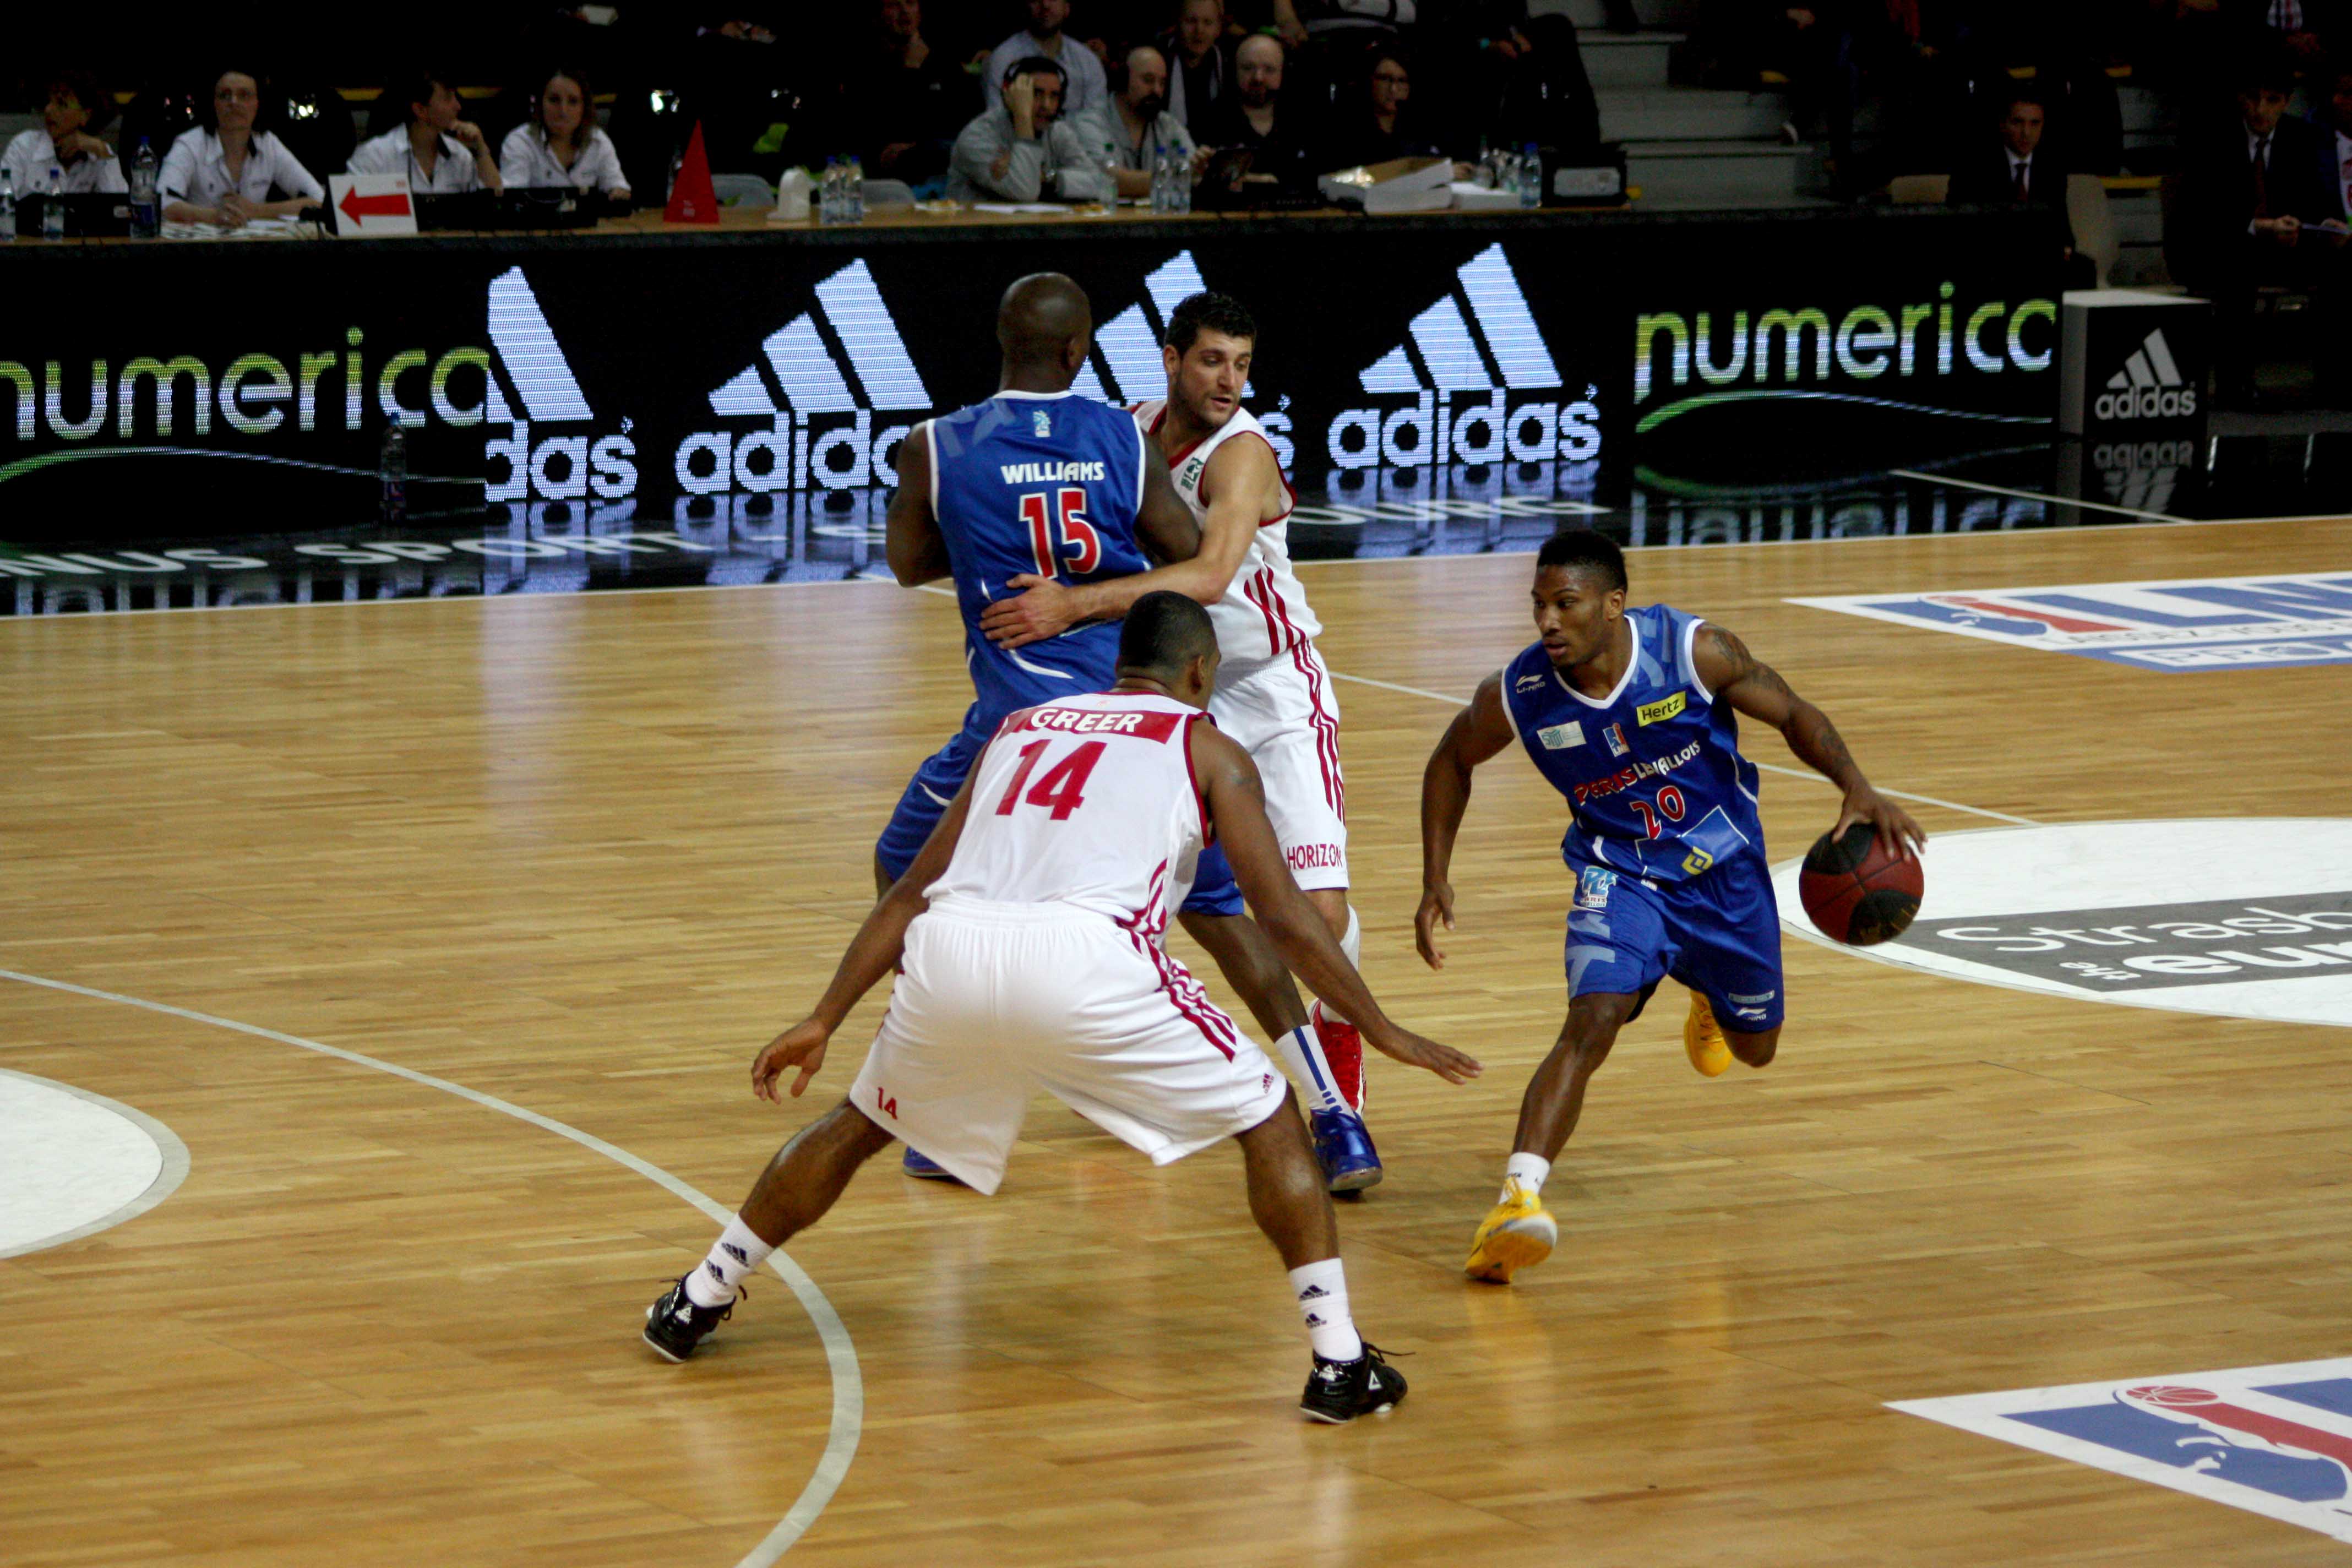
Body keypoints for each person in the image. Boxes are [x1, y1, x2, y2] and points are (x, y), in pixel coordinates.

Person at [1417, 530, 1924, 1284]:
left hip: (1724, 876)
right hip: (1619, 874)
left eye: (1566, 604)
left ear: (1614, 605)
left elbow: (1791, 713)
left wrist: (1855, 783)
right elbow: (1450, 759)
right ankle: (1516, 1200)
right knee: (1594, 1019)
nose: (1547, 621)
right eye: (1539, 605)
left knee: (1758, 1051)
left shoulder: (1695, 653)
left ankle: (1704, 992)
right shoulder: (1520, 694)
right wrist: (1436, 877)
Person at [980, 292, 1382, 1189]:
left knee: (1315, 915)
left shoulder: (1242, 452)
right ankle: (1140, 1071)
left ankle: (1338, 1092)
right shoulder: (1126, 430)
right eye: (1211, 362)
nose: (1229, 382)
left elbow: (1206, 575)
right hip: (1173, 690)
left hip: (1271, 688)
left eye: (1242, 364)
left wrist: (1070, 604)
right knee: (1137, 896)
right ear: (1169, 358)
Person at [2169, 44, 2342, 399]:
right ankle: (2235, 382)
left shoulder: (2302, 137)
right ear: (2239, 98)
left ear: (2287, 101)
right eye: (2253, 98)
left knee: (2342, 262)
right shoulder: (2213, 137)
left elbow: (2314, 202)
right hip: (2216, 248)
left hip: (2279, 247)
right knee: (2240, 262)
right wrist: (2260, 226)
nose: (2261, 110)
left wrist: (2324, 225)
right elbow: (2201, 215)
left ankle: (2336, 380)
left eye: (2272, 100)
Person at [1947, 91, 2096, 288]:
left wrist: (2064, 247)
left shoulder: (2052, 169)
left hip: (2038, 258)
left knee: (2083, 268)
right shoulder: (1973, 168)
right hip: (1991, 260)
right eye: (2018, 123)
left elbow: (2062, 227)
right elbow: (1960, 232)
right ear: (2003, 124)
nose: (2026, 133)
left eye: (2035, 124)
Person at [158, 69, 324, 227]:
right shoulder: (190, 144)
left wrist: (256, 211)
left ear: (257, 104)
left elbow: (319, 200)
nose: (234, 102)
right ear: (215, 103)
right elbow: (161, 203)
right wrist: (214, 216)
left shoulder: (268, 143)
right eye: (225, 95)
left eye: (244, 95)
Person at [839, 0, 976, 188]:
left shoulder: (944, 63)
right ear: (879, 15)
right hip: (885, 182)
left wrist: (919, 147)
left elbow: (963, 127)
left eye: (910, 3)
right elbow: (884, 131)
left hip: (942, 175)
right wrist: (911, 71)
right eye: (894, 4)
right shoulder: (865, 68)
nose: (904, 11)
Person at [948, 58, 1113, 202]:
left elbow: (1100, 184)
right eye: (1036, 94)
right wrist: (1023, 117)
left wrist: (1047, 177)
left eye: (1054, 96)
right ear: (1011, 94)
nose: (1046, 105)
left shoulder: (1057, 132)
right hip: (977, 233)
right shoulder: (977, 136)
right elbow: (1024, 192)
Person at [1203, 34, 1320, 194]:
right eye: (1248, 68)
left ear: (1283, 72)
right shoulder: (1211, 118)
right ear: (1234, 70)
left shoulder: (1304, 119)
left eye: (1269, 70)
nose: (1258, 78)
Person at [351, 71, 503, 194]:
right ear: (420, 110)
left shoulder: (460, 156)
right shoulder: (373, 157)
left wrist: (481, 149)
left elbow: (497, 201)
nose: (458, 106)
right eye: (448, 99)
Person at [985, 0, 1114, 141]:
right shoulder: (1003, 59)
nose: (1045, 5)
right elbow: (997, 122)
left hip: (1077, 151)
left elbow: (1096, 124)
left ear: (1067, 8)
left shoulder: (1088, 61)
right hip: (1018, 148)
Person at [498, 67, 630, 198]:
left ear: (584, 108)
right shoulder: (520, 141)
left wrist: (618, 193)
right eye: (554, 100)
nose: (563, 111)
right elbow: (512, 196)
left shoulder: (598, 141)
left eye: (573, 101)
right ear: (540, 104)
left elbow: (618, 186)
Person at [4, 69, 127, 198]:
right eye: (49, 101)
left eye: (61, 104)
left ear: (86, 115)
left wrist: (101, 151)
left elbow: (119, 208)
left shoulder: (99, 153)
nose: (49, 110)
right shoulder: (24, 147)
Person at [1319, 50, 1449, 166]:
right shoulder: (1346, 129)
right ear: (1370, 81)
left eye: (1401, 81)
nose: (1393, 89)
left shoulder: (1417, 127)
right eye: (1385, 79)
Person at [1107, 45, 1203, 197]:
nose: (1157, 90)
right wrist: (1184, 176)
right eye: (1148, 80)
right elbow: (1109, 179)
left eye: (1162, 83)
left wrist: (1201, 166)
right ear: (1123, 79)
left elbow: (1192, 168)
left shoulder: (1167, 124)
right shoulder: (1092, 122)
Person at [1162, 0, 1235, 139]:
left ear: (1219, 28)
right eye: (1191, 21)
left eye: (1207, 22)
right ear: (1177, 23)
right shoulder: (1159, 64)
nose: (1199, 30)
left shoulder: (1230, 65)